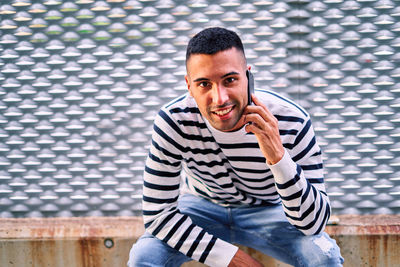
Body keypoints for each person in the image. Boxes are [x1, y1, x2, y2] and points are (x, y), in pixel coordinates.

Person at [128, 27, 344, 267]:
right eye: (204, 84)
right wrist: (233, 260)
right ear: (189, 86)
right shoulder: (175, 121)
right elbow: (158, 214)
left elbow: (314, 224)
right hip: (202, 206)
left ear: (248, 76)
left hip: (271, 210)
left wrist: (278, 155)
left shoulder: (291, 120)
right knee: (144, 257)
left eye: (230, 80)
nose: (219, 98)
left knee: (324, 256)